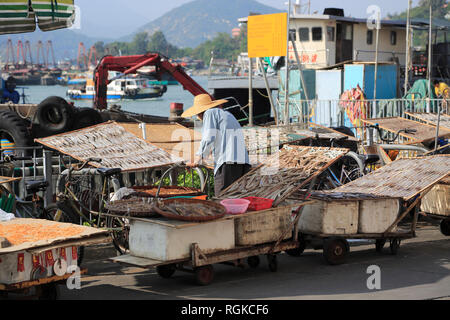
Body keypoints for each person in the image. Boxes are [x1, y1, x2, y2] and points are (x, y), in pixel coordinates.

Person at [182, 94, 251, 197]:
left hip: (227, 161)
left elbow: (208, 137)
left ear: (201, 112)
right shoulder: (226, 114)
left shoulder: (209, 113)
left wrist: (197, 159)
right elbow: (219, 138)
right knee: (234, 195)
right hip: (240, 160)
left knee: (222, 196)